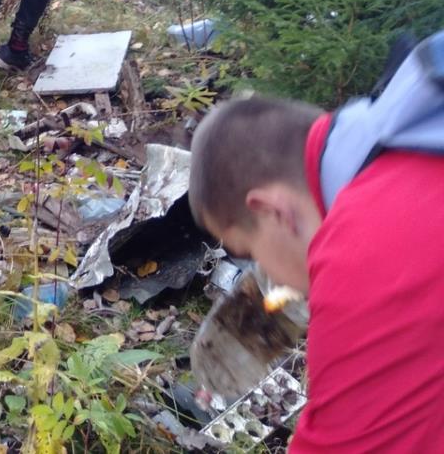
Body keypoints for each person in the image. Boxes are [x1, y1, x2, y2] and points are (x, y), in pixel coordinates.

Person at [188, 73, 444, 453]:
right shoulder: (410, 134)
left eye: (253, 253)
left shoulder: (366, 250)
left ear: (272, 211)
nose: (266, 274)